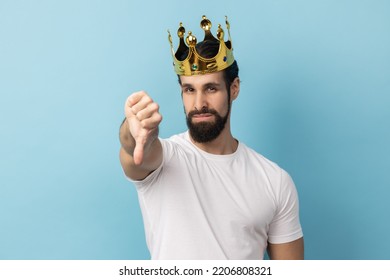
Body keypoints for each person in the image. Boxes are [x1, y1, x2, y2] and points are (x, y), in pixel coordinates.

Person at [119, 15, 304, 260]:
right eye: (189, 90)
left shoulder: (275, 181)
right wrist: (134, 132)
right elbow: (135, 153)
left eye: (211, 88)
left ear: (234, 88)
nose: (198, 104)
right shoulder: (166, 159)